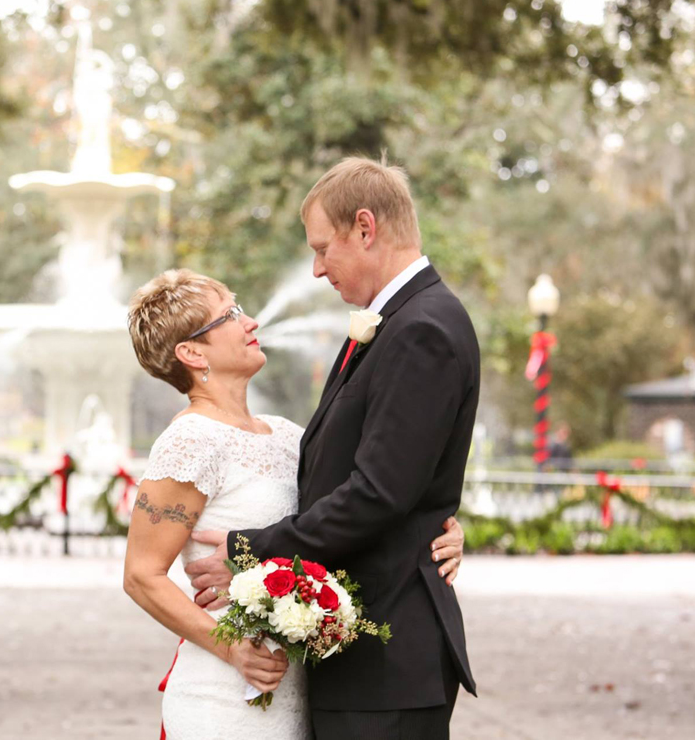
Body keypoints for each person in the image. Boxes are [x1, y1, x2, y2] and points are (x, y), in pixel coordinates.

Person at [187, 155, 480, 739]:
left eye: (323, 249)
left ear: (366, 229)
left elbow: (378, 494)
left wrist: (251, 552)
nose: (317, 270)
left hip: (388, 660)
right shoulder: (395, 323)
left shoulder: (420, 329)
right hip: (359, 659)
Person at [122, 265, 465, 740]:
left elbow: (363, 501)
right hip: (224, 693)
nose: (250, 322)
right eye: (229, 316)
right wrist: (233, 651)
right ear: (191, 352)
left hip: (305, 690)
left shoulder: (286, 435)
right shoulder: (188, 442)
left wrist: (442, 528)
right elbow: (141, 575)